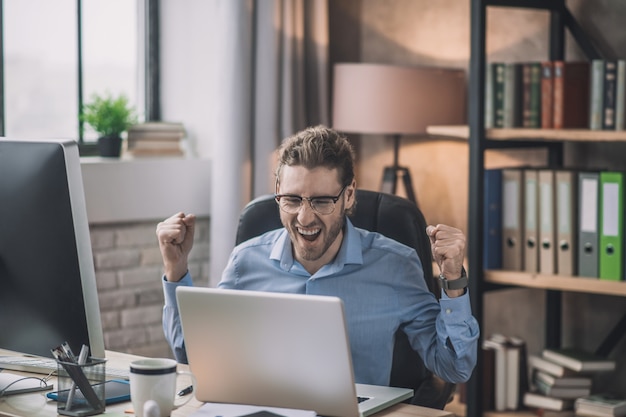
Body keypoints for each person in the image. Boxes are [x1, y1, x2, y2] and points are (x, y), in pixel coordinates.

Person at [157, 125, 479, 386]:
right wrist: (176, 269)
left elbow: (454, 367)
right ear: (278, 191)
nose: (305, 218)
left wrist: (454, 280)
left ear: (349, 195)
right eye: (292, 200)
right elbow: (195, 358)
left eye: (322, 201)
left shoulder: (395, 264)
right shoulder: (246, 261)